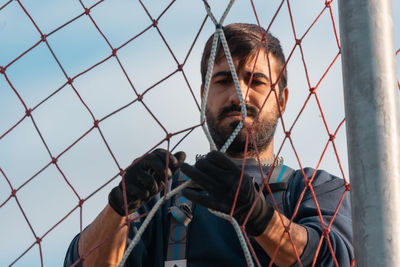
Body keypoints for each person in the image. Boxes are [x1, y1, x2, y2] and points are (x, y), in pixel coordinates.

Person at [64, 23, 353, 267]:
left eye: (256, 82)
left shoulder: (316, 190)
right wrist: (119, 206)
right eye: (224, 81)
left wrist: (257, 214)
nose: (238, 95)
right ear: (203, 96)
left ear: (282, 100)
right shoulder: (164, 195)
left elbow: (336, 258)